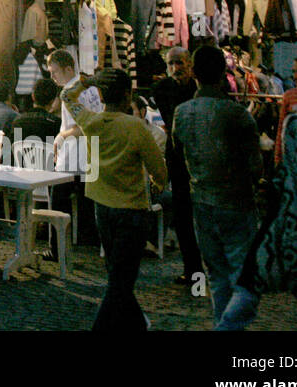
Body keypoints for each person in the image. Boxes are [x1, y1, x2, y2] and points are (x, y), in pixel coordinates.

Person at [61, 69, 168, 330]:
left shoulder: (90, 121)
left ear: (100, 94)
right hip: (131, 210)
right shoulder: (135, 127)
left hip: (101, 208)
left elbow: (66, 95)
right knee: (121, 280)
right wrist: (156, 186)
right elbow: (160, 170)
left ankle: (138, 326)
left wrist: (85, 83)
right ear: (128, 94)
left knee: (117, 275)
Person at [171, 45, 263, 330]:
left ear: (194, 73)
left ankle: (222, 323)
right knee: (246, 277)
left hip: (202, 202)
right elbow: (255, 167)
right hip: (237, 203)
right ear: (224, 74)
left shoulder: (182, 113)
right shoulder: (237, 114)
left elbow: (177, 151)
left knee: (218, 276)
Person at [152, 46, 205, 286]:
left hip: (201, 158)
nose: (176, 68)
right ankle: (193, 272)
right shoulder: (163, 89)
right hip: (178, 159)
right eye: (171, 64)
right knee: (183, 217)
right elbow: (173, 117)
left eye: (180, 63)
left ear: (189, 64)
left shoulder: (199, 89)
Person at [12, 78, 61, 144]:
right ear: (52, 100)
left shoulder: (16, 122)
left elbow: (7, 151)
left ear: (33, 96)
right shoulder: (56, 125)